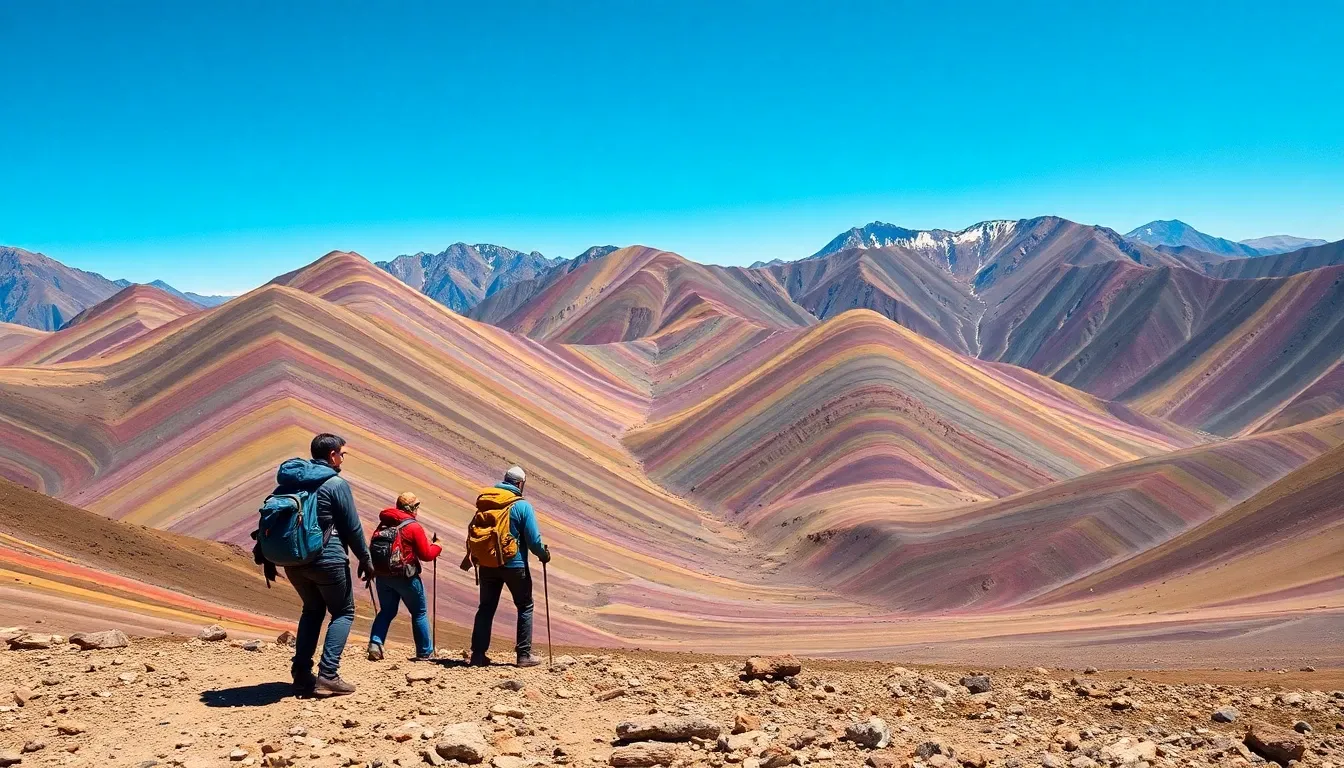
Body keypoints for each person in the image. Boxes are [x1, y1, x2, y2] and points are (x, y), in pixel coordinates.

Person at [271, 433, 373, 696]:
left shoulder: (289, 483)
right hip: (327, 558)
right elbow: (352, 527)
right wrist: (365, 558)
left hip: (293, 561)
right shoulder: (335, 484)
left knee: (312, 610)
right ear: (332, 455)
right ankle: (328, 675)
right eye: (342, 454)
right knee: (343, 612)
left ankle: (301, 673)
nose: (342, 459)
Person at [466, 465, 550, 667]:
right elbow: (533, 540)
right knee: (525, 605)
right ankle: (523, 655)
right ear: (520, 484)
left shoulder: (486, 502)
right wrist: (543, 555)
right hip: (514, 564)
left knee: (486, 607)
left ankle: (478, 655)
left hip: (487, 563)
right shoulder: (522, 506)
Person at [367, 491, 442, 661]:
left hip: (383, 576)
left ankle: (375, 644)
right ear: (411, 508)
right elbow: (426, 554)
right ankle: (424, 652)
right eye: (417, 506)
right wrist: (437, 546)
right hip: (405, 577)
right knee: (419, 612)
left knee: (386, 611)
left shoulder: (384, 523)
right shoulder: (413, 527)